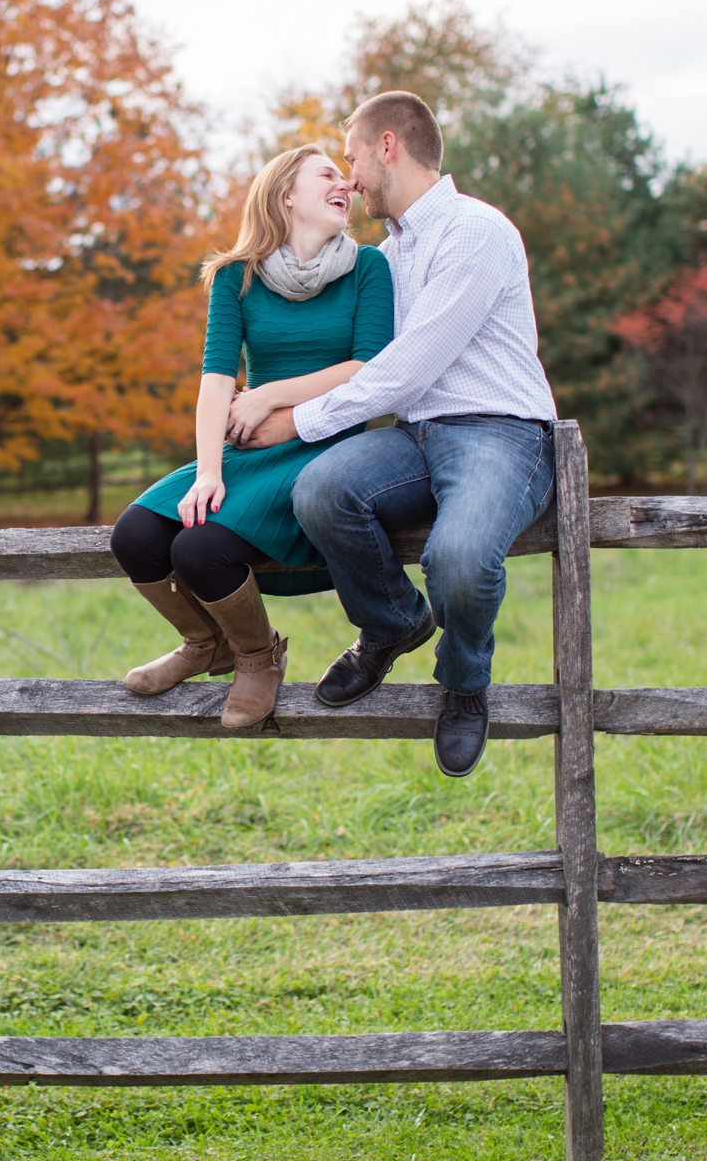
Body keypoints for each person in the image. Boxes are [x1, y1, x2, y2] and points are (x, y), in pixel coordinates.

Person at [228, 92, 557, 777]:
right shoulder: (388, 254)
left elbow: (405, 370)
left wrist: (293, 420)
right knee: (319, 489)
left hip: (501, 435)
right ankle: (390, 623)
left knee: (460, 557)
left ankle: (464, 684)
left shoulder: (474, 231)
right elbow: (350, 344)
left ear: (387, 146)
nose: (346, 177)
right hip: (417, 439)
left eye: (349, 157)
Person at [109, 145, 394, 730]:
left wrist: (267, 394)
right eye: (328, 175)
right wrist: (208, 469)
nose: (345, 184)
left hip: (324, 446)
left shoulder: (369, 269)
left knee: (198, 547)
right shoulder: (236, 276)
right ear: (286, 194)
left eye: (346, 177)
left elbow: (367, 367)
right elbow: (216, 378)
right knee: (136, 534)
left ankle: (258, 659)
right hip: (252, 448)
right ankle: (204, 642)